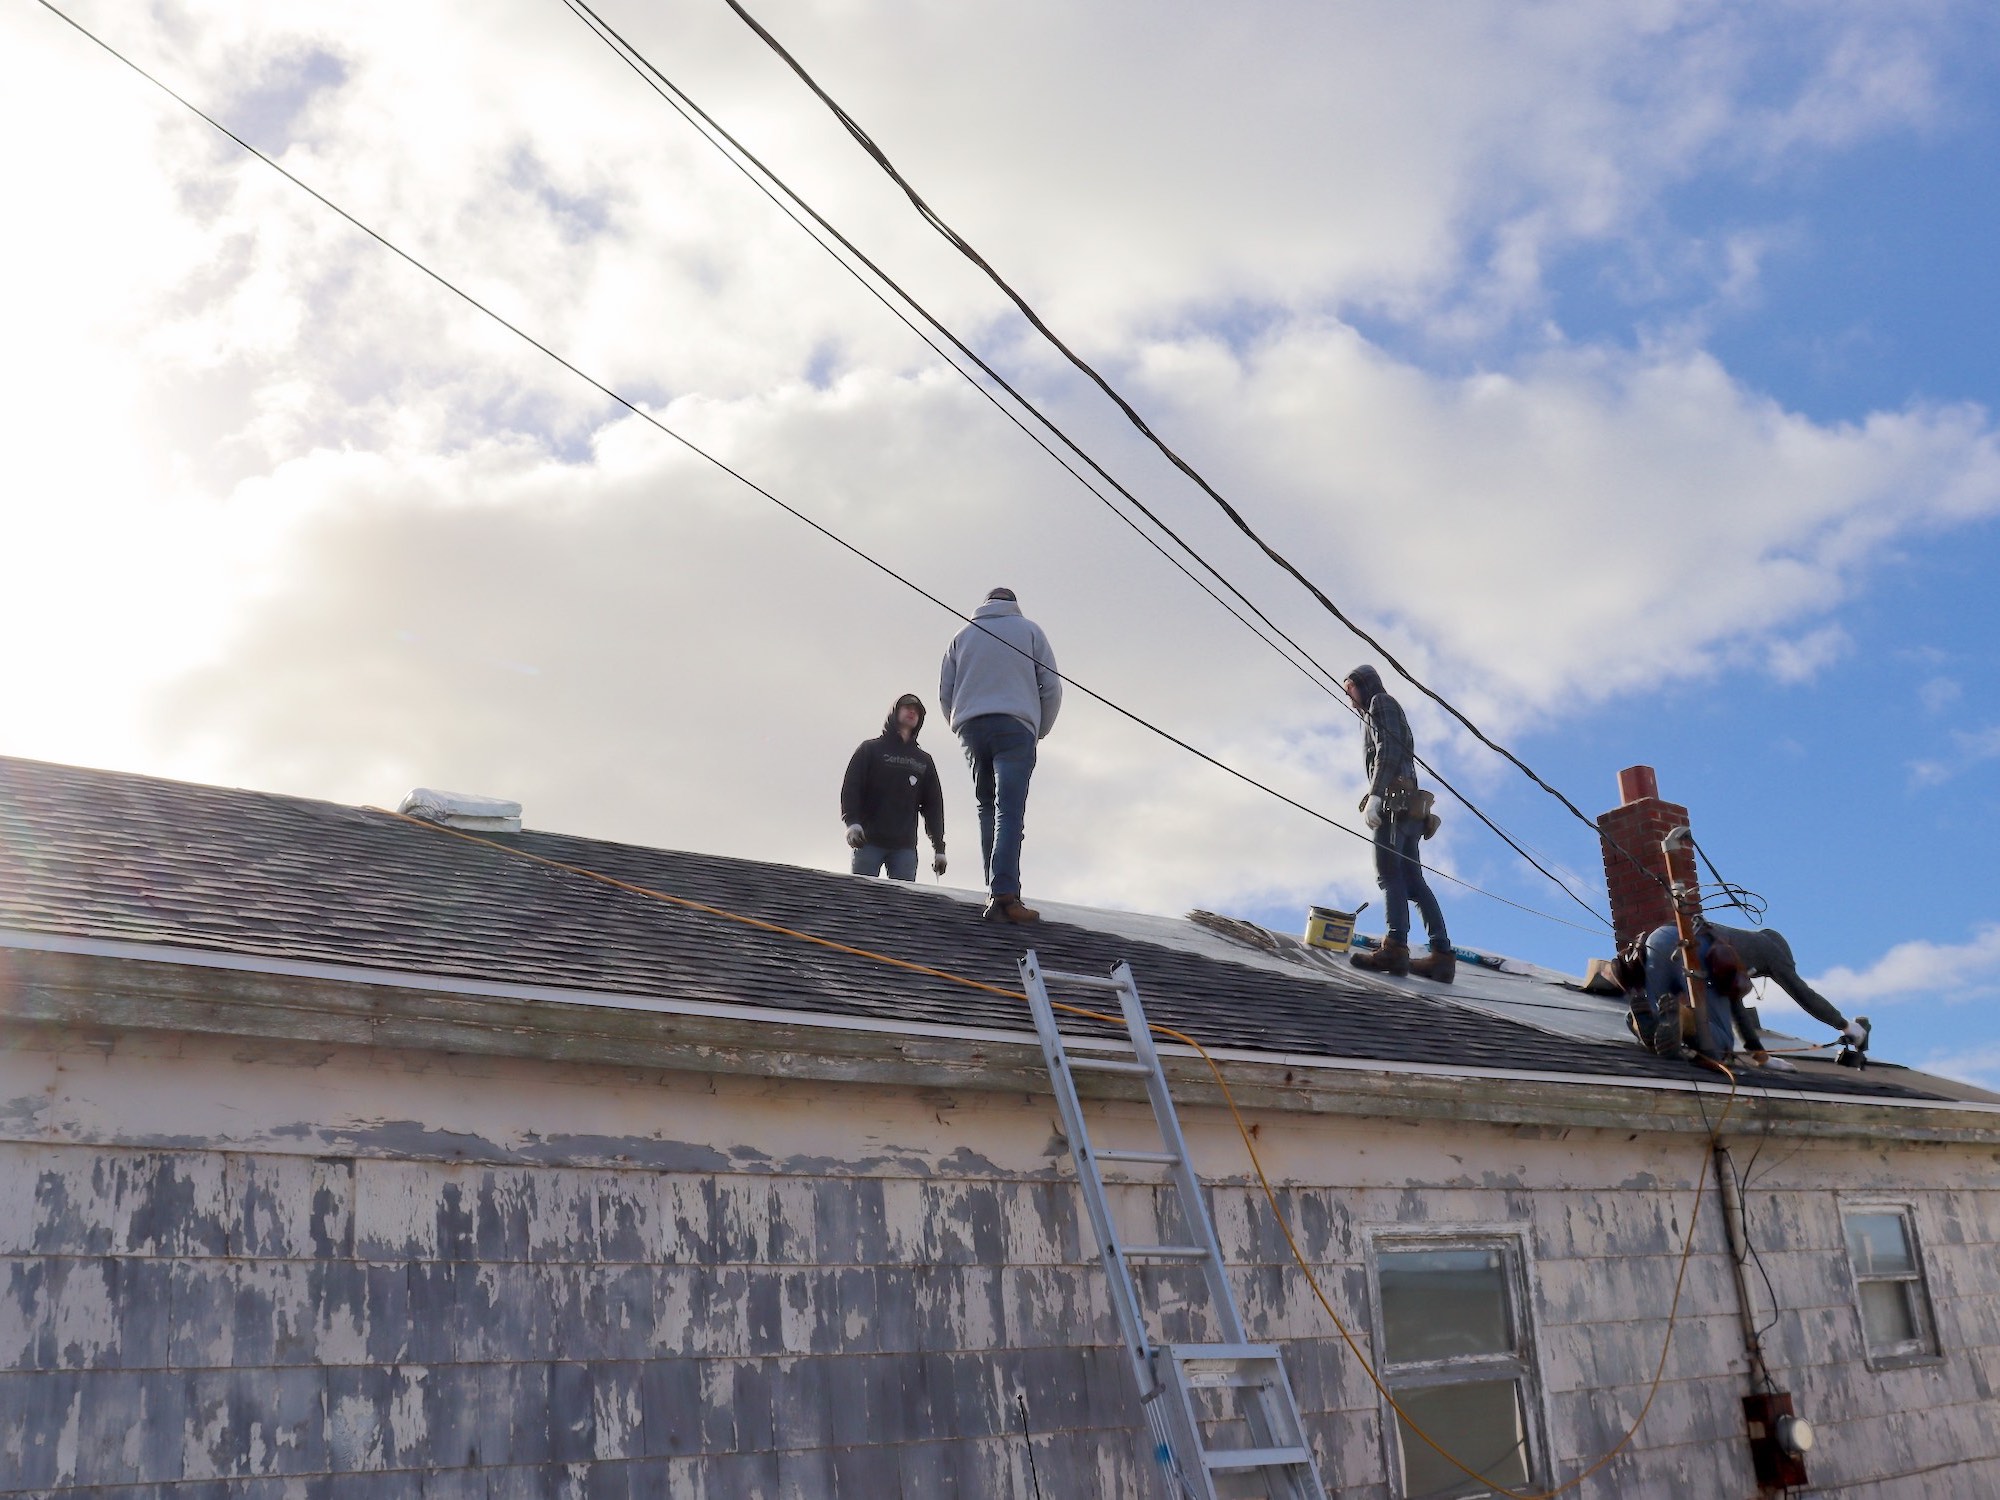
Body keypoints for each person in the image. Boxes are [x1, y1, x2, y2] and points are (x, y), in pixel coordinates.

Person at [939, 588, 1061, 924]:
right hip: (1015, 728)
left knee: (986, 808)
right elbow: (1051, 687)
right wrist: (1038, 729)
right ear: (1014, 605)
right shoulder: (1030, 631)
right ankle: (1005, 891)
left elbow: (945, 692)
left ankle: (992, 889)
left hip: (972, 728)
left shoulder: (961, 636)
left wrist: (959, 723)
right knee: (1009, 810)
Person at [1343, 664, 1453, 982]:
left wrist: (1376, 795)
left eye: (1350, 689)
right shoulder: (1376, 710)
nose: (1349, 698)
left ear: (1364, 684)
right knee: (1413, 881)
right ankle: (1441, 956)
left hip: (1395, 807)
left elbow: (1388, 751)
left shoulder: (1381, 703)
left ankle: (1395, 947)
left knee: (1389, 876)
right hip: (1408, 809)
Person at [1707, 921, 1872, 1057]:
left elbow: (1734, 1003)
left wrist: (1757, 1053)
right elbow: (1803, 995)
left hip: (1704, 936)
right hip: (1705, 941)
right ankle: (1856, 1030)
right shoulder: (1771, 953)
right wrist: (1844, 1025)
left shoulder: (1743, 950)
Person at [840, 693, 946, 882]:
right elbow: (852, 787)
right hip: (868, 841)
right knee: (860, 895)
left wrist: (939, 848)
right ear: (894, 712)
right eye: (907, 707)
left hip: (904, 848)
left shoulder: (923, 761)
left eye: (917, 711)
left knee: (903, 898)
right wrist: (852, 823)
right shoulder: (870, 749)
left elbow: (933, 806)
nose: (912, 712)